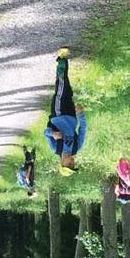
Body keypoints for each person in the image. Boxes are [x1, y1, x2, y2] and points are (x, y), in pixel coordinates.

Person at [43, 47, 87, 175]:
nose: (72, 162)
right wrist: (81, 115)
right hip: (72, 115)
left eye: (69, 165)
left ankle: (62, 60)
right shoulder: (76, 148)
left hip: (58, 114)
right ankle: (63, 64)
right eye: (73, 164)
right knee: (67, 90)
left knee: (61, 89)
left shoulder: (55, 148)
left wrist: (53, 134)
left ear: (62, 162)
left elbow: (45, 133)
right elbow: (83, 130)